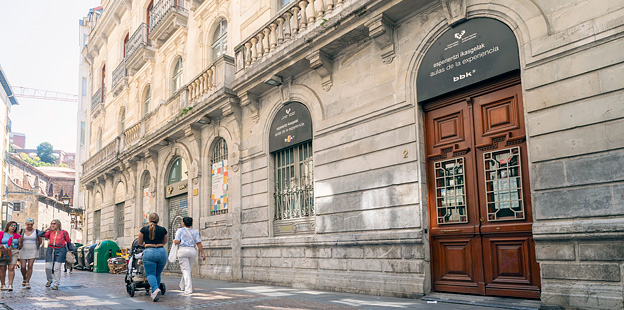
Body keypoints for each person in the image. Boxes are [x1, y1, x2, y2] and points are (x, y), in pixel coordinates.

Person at [138, 213, 167, 302]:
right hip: (161, 252)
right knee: (157, 274)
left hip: (149, 251)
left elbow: (139, 242)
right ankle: (155, 292)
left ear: (149, 219)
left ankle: (155, 289)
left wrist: (145, 244)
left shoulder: (143, 229)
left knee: (150, 274)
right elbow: (164, 241)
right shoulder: (163, 230)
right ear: (158, 220)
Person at [173, 217, 205, 295]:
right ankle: (182, 285)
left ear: (183, 223)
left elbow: (177, 241)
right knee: (188, 270)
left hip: (183, 251)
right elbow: (198, 243)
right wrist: (202, 253)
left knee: (186, 270)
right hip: (192, 251)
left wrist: (173, 241)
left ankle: (188, 289)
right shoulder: (195, 231)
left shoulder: (180, 231)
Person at [38, 219, 73, 290]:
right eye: (51, 224)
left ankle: (56, 284)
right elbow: (40, 234)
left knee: (57, 268)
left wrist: (71, 250)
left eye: (54, 224)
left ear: (58, 225)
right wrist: (47, 229)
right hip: (50, 250)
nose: (52, 225)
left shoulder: (64, 232)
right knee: (48, 267)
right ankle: (49, 280)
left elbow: (68, 241)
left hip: (60, 250)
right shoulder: (50, 232)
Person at [18, 218, 42, 289]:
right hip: (23, 249)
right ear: (25, 224)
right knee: (22, 267)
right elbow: (18, 240)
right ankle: (24, 278)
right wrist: (20, 242)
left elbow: (40, 241)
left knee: (30, 266)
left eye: (31, 224)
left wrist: (36, 247)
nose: (30, 226)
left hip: (33, 249)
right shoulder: (21, 231)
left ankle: (27, 282)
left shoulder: (36, 231)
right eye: (28, 224)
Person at [0, 221, 21, 291]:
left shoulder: (17, 235)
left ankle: (10, 284)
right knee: (2, 268)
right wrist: (2, 246)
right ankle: (3, 284)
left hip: (14, 251)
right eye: (12, 225)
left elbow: (20, 246)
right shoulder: (2, 234)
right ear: (8, 226)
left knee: (11, 268)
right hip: (4, 251)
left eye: (15, 226)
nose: (13, 227)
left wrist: (21, 242)